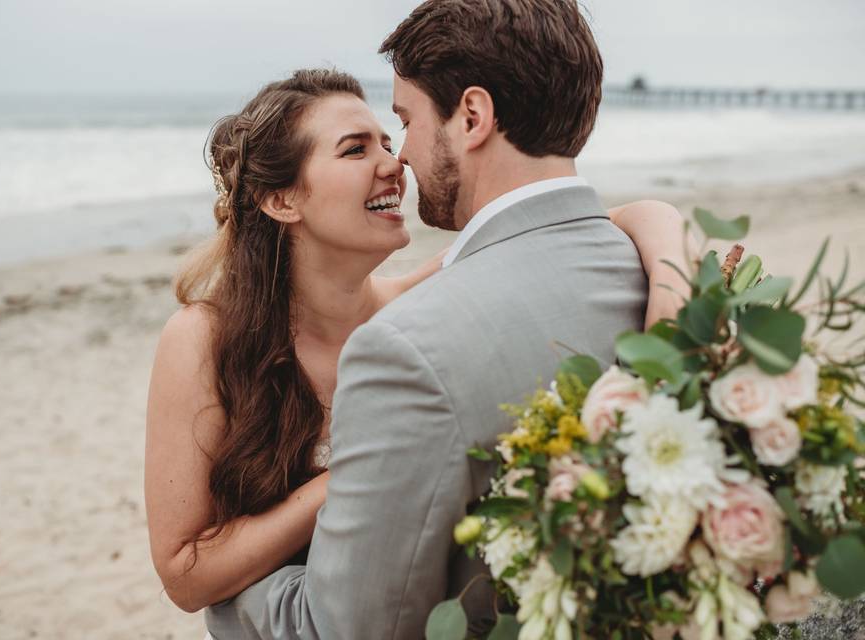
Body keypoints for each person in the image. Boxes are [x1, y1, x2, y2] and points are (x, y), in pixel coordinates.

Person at [145, 4, 684, 631]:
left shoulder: (417, 308)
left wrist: (670, 279)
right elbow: (184, 572)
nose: (396, 162)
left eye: (393, 133)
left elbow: (583, 222)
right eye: (355, 148)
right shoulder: (204, 338)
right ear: (282, 198)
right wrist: (349, 479)